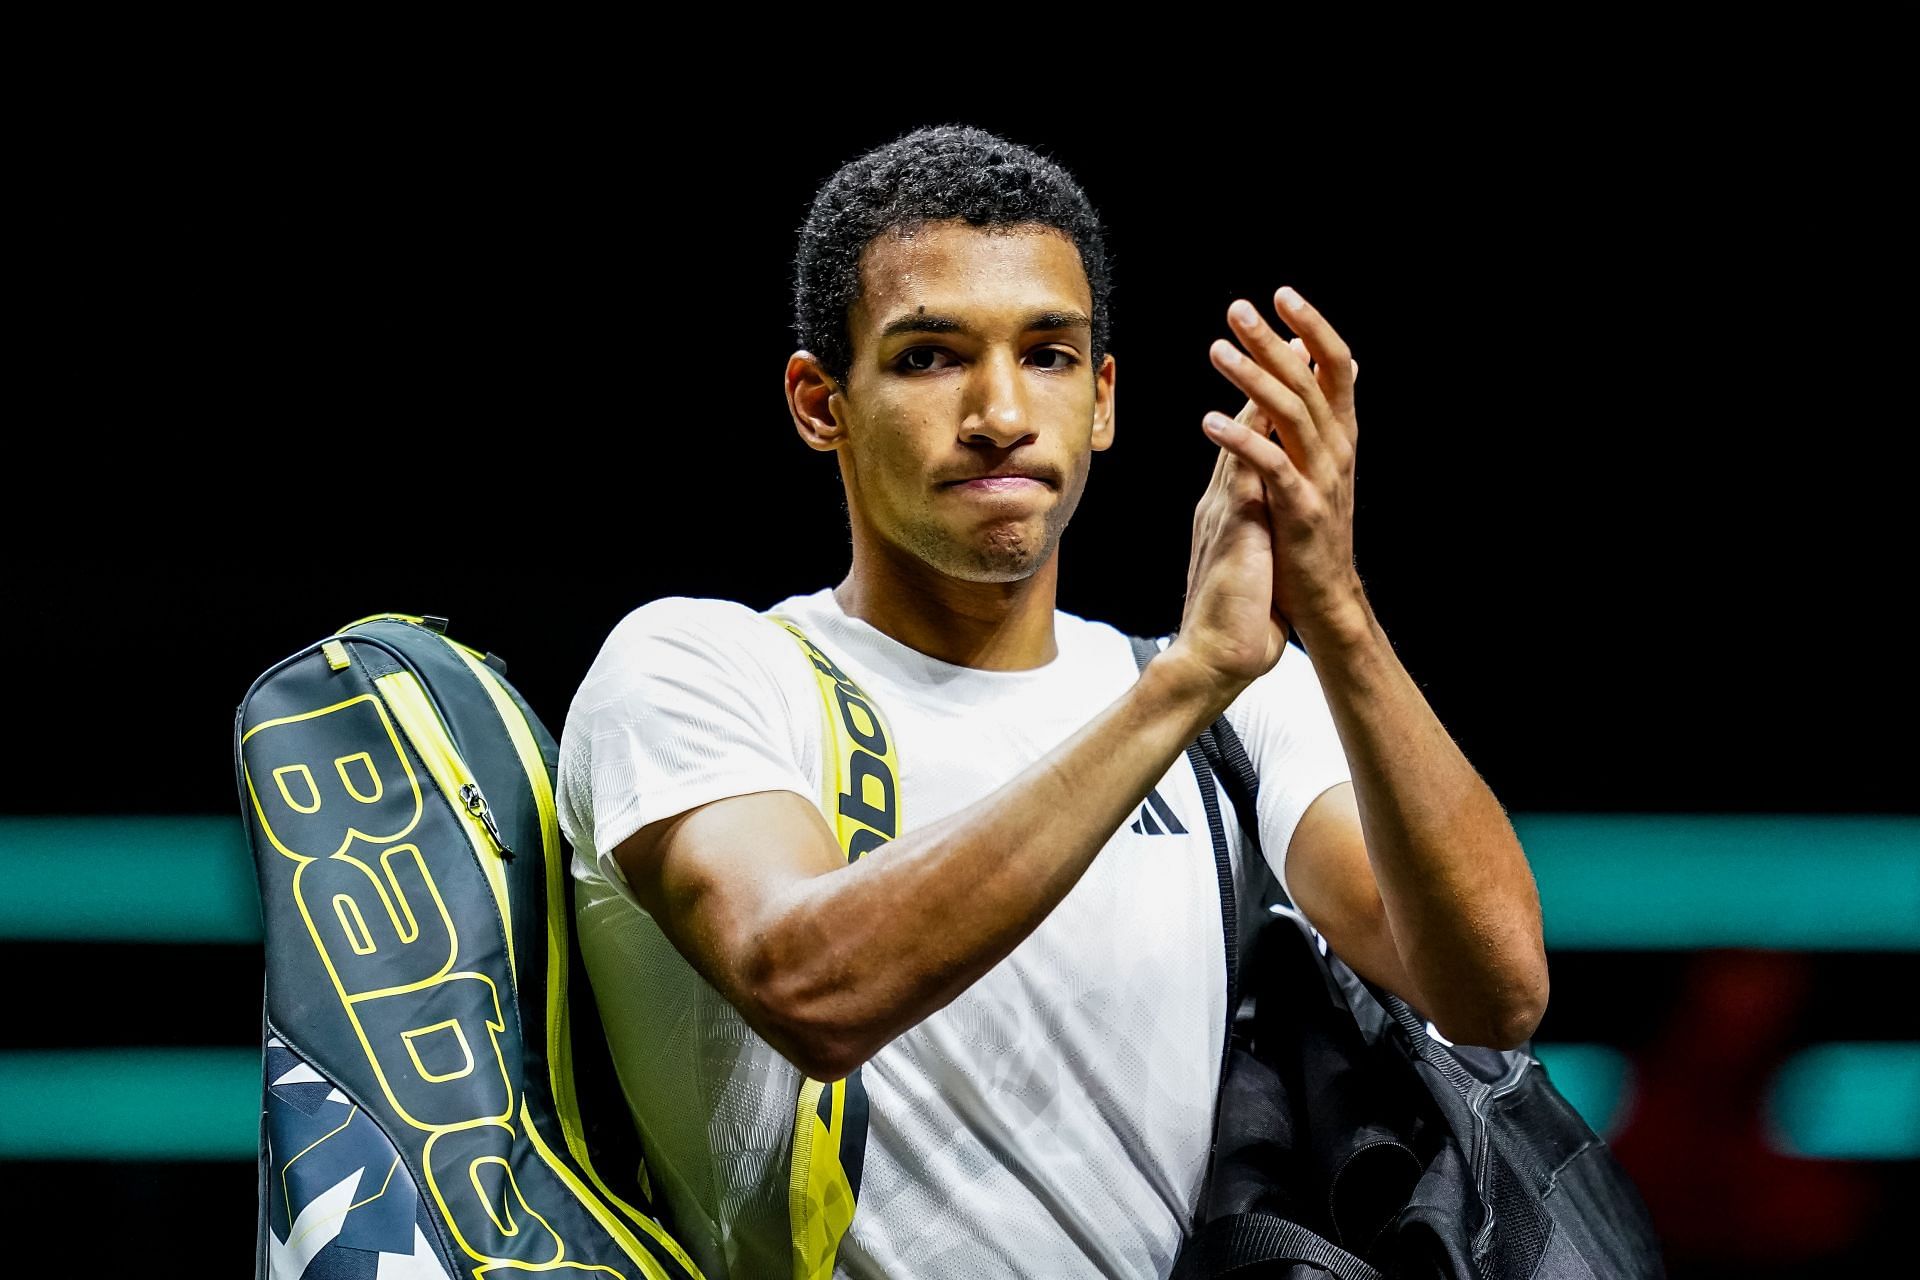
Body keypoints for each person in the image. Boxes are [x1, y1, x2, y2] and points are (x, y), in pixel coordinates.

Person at [555, 123, 1550, 1279]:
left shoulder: (1231, 701)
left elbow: (1489, 991)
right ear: (819, 401)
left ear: (1105, 398)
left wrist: (1337, 609)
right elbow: (811, 985)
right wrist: (1188, 679)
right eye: (929, 355)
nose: (999, 411)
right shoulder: (701, 666)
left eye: (1049, 353)